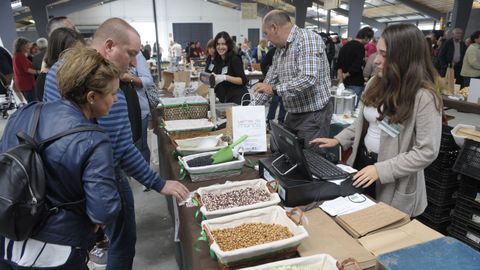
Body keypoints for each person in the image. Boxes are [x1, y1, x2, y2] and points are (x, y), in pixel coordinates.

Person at [43, 17, 189, 270]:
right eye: (131, 54)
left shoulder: (58, 69)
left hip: (58, 182)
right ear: (109, 46)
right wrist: (159, 183)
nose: (133, 63)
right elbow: (121, 150)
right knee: (122, 240)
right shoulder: (111, 92)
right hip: (101, 177)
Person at [0, 47, 122, 270]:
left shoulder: (24, 113)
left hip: (9, 237)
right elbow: (103, 209)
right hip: (57, 250)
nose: (116, 99)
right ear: (92, 97)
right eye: (113, 93)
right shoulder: (93, 140)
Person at [310, 24, 443, 217]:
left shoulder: (423, 96)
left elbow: (427, 151)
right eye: (376, 53)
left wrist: (380, 170)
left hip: (393, 177)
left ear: (404, 57)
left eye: (385, 55)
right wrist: (339, 139)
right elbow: (362, 123)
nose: (376, 61)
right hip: (364, 164)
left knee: (383, 227)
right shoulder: (375, 82)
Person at [252, 10, 332, 152]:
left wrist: (275, 90)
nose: (266, 38)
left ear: (274, 27)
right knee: (288, 154)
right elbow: (269, 81)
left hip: (313, 114)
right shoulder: (280, 50)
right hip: (294, 113)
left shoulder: (307, 39)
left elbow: (308, 78)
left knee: (311, 160)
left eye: (265, 33)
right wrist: (246, 112)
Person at [35, 28, 85, 101]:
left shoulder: (76, 72)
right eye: (74, 54)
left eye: (82, 52)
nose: (80, 58)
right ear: (58, 52)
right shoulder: (46, 78)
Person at [207, 31, 249, 105]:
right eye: (218, 44)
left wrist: (225, 77)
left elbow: (243, 80)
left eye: (223, 44)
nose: (220, 47)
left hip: (238, 99)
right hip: (225, 100)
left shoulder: (234, 58)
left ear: (228, 45)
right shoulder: (217, 60)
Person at [337, 27, 374, 106]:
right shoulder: (360, 47)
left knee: (344, 106)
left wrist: (341, 77)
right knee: (352, 107)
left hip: (345, 82)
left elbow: (339, 64)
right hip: (355, 82)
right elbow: (356, 66)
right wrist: (346, 75)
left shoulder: (345, 46)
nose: (368, 42)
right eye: (369, 39)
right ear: (366, 38)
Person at [261, 46, 286, 127]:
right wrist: (267, 75)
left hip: (285, 82)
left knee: (284, 102)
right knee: (274, 101)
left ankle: (281, 120)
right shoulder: (273, 51)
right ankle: (269, 120)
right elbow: (263, 64)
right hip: (275, 82)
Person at [13, 37, 39, 103]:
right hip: (27, 85)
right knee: (34, 103)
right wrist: (39, 72)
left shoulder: (18, 55)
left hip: (25, 84)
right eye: (27, 45)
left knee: (33, 102)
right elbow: (27, 70)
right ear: (22, 46)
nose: (29, 47)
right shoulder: (20, 56)